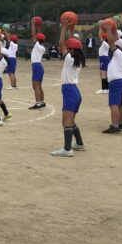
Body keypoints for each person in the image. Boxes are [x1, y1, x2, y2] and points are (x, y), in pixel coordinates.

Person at [52, 24, 86, 157]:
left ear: (71, 49)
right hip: (75, 91)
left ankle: (67, 150)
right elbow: (69, 44)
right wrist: (71, 31)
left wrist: (64, 27)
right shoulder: (78, 60)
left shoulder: (68, 58)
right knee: (71, 121)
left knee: (65, 122)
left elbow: (61, 43)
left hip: (70, 92)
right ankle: (79, 144)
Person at [102, 34, 122, 134]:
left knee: (113, 104)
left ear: (120, 48)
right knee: (119, 105)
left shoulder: (119, 54)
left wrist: (109, 29)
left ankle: (115, 126)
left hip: (117, 82)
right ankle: (120, 123)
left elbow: (111, 42)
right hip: (121, 81)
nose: (113, 47)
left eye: (116, 46)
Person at [29, 27, 46, 110]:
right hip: (39, 66)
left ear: (37, 39)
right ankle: (42, 102)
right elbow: (36, 36)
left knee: (35, 86)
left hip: (36, 66)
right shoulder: (42, 47)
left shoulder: (37, 45)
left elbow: (33, 34)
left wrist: (33, 24)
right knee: (39, 86)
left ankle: (38, 103)